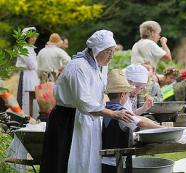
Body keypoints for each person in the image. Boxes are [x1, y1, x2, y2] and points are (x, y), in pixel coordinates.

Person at [40, 30, 134, 173]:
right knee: (66, 163)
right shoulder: (78, 67)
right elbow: (85, 103)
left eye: (112, 51)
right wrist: (113, 114)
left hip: (87, 120)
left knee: (88, 162)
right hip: (68, 121)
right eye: (108, 51)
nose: (111, 55)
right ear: (97, 50)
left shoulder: (96, 67)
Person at [101, 69, 161, 173]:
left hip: (107, 161)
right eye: (128, 94)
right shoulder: (120, 112)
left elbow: (137, 117)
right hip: (117, 163)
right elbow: (141, 122)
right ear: (123, 95)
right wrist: (162, 129)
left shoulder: (108, 109)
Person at [16, 27, 40, 118]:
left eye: (35, 36)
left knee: (34, 96)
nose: (34, 39)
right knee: (26, 96)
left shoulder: (31, 48)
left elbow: (34, 65)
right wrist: (34, 66)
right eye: (31, 37)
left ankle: (33, 116)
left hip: (33, 75)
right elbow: (32, 65)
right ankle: (26, 117)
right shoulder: (23, 48)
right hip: (26, 76)